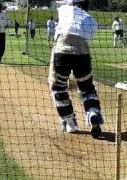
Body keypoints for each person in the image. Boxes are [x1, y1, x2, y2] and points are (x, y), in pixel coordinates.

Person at [49, 0, 104, 138]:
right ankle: (93, 113)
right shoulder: (91, 20)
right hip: (82, 54)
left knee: (59, 87)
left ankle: (69, 123)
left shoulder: (64, 9)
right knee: (87, 87)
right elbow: (88, 37)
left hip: (62, 51)